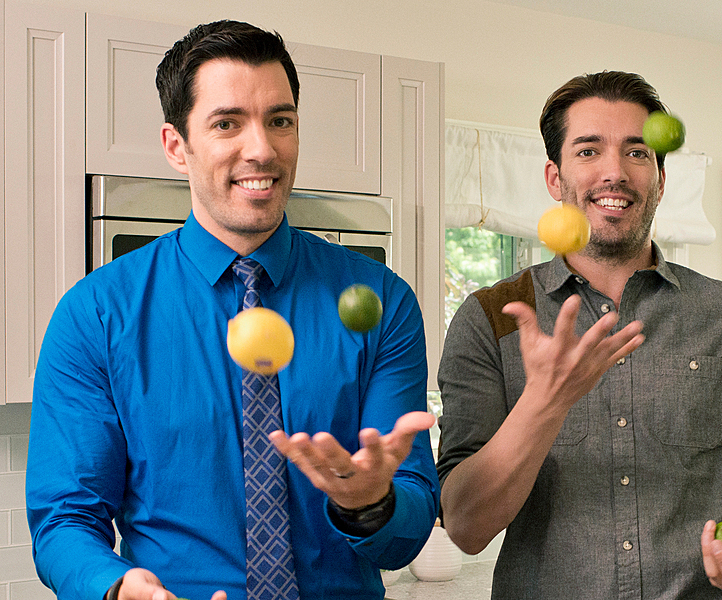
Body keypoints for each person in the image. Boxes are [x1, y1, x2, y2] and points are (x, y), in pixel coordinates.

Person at [27, 20, 438, 600]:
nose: (262, 149)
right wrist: (115, 586)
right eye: (227, 123)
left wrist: (371, 502)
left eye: (280, 121)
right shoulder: (95, 315)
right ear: (177, 146)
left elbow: (407, 533)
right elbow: (64, 519)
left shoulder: (384, 302)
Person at [435, 71, 722, 599]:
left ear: (661, 179)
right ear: (554, 177)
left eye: (637, 153)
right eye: (588, 151)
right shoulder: (490, 319)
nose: (614, 172)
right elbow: (465, 526)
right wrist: (544, 403)